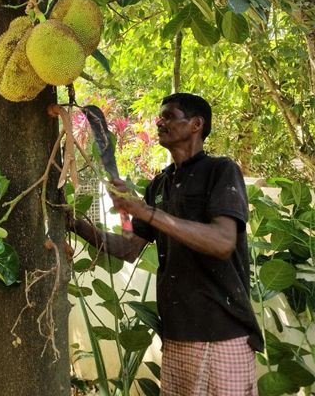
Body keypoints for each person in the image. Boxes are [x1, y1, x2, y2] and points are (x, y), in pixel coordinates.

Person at [70, 93, 262, 396]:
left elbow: (224, 242)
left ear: (196, 124)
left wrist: (146, 211)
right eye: (160, 117)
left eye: (169, 116)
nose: (159, 121)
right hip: (176, 332)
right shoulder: (160, 183)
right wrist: (75, 224)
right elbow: (129, 249)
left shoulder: (221, 170)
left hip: (223, 331)